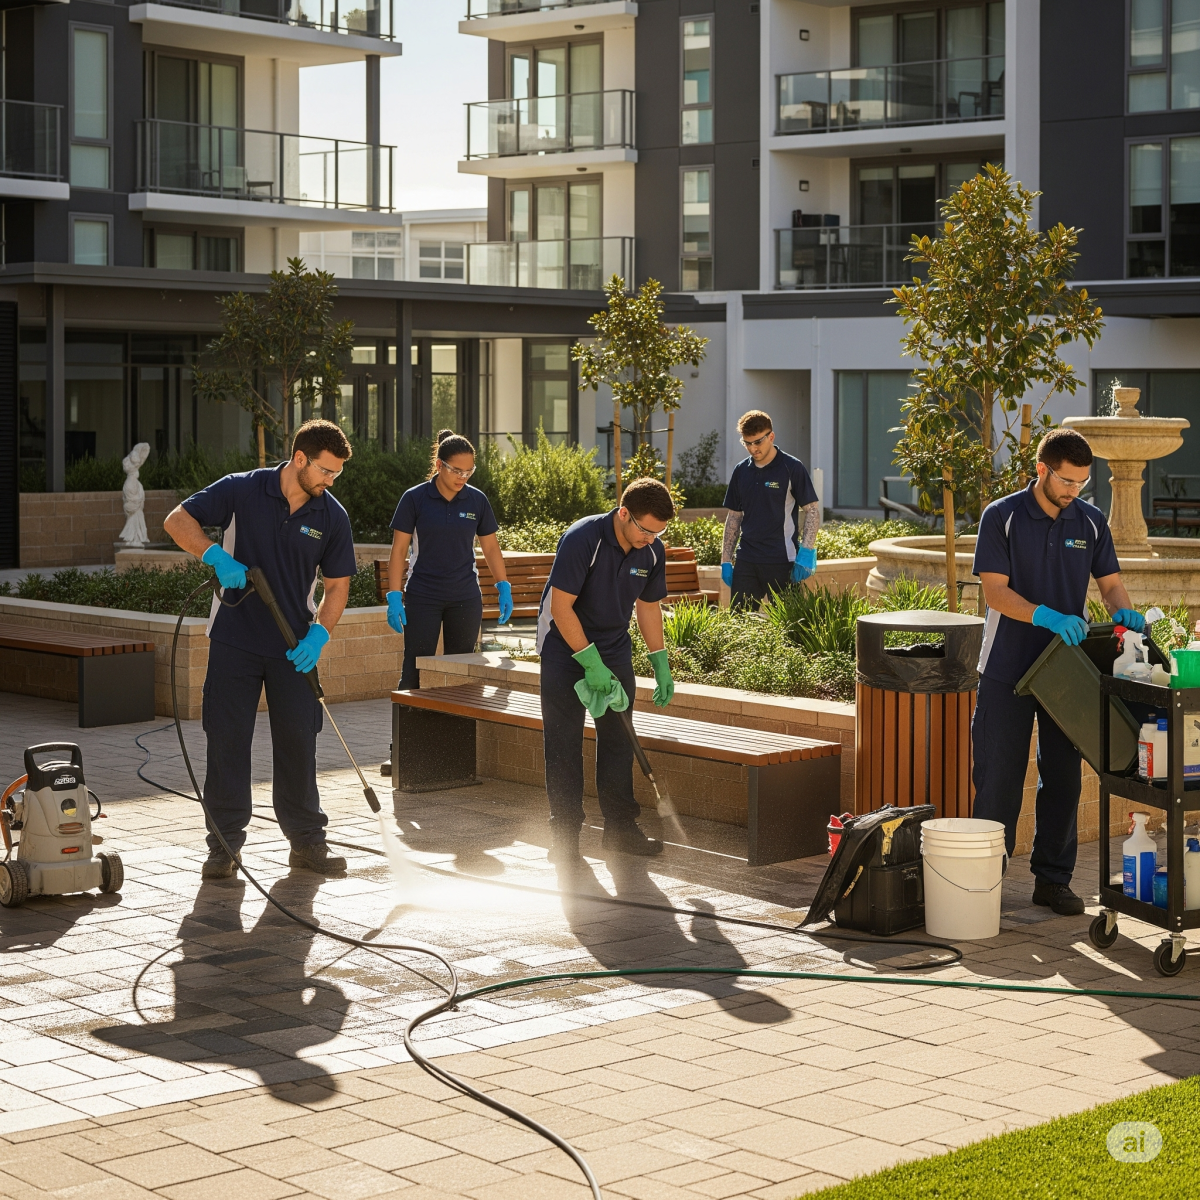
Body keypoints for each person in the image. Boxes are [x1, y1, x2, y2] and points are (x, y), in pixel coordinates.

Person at [163, 419, 359, 880]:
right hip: (234, 639)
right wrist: (213, 554)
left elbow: (337, 588)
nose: (331, 482)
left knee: (298, 743)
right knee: (228, 742)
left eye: (337, 475)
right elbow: (177, 520)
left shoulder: (331, 516)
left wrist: (319, 637)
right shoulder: (242, 490)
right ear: (299, 460)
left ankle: (307, 843)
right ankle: (224, 847)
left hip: (293, 647)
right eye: (326, 472)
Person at [972, 427, 1145, 916]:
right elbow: (994, 592)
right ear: (1042, 469)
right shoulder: (1001, 517)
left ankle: (1053, 880)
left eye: (1082, 484)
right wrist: (1045, 614)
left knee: (1064, 779)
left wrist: (1123, 614)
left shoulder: (1089, 522)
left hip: (1066, 674)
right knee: (999, 778)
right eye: (1067, 482)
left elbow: (1110, 584)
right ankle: (985, 883)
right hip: (1006, 668)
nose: (1074, 492)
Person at [537, 478, 677, 867]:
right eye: (645, 529)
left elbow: (648, 607)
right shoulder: (584, 538)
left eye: (658, 532)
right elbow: (561, 608)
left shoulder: (651, 551)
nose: (651, 538)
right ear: (623, 514)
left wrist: (659, 661)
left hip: (613, 647)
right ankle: (564, 836)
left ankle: (620, 830)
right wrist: (589, 661)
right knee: (563, 744)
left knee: (619, 740)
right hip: (565, 648)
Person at [385, 430, 511, 692]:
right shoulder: (414, 498)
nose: (462, 478)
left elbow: (490, 547)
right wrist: (394, 595)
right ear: (439, 465)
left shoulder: (477, 500)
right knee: (415, 668)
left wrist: (503, 586)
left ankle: (457, 733)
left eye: (469, 472)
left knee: (461, 672)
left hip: (464, 597)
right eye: (456, 471)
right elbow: (398, 551)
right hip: (423, 596)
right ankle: (411, 732)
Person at [720, 409, 821, 610]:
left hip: (782, 560)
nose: (752, 448)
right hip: (747, 559)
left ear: (771, 436)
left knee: (791, 628)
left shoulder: (791, 467)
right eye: (747, 443)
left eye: (758, 442)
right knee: (739, 623)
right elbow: (734, 517)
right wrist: (725, 560)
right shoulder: (741, 471)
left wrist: (806, 551)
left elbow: (812, 510)